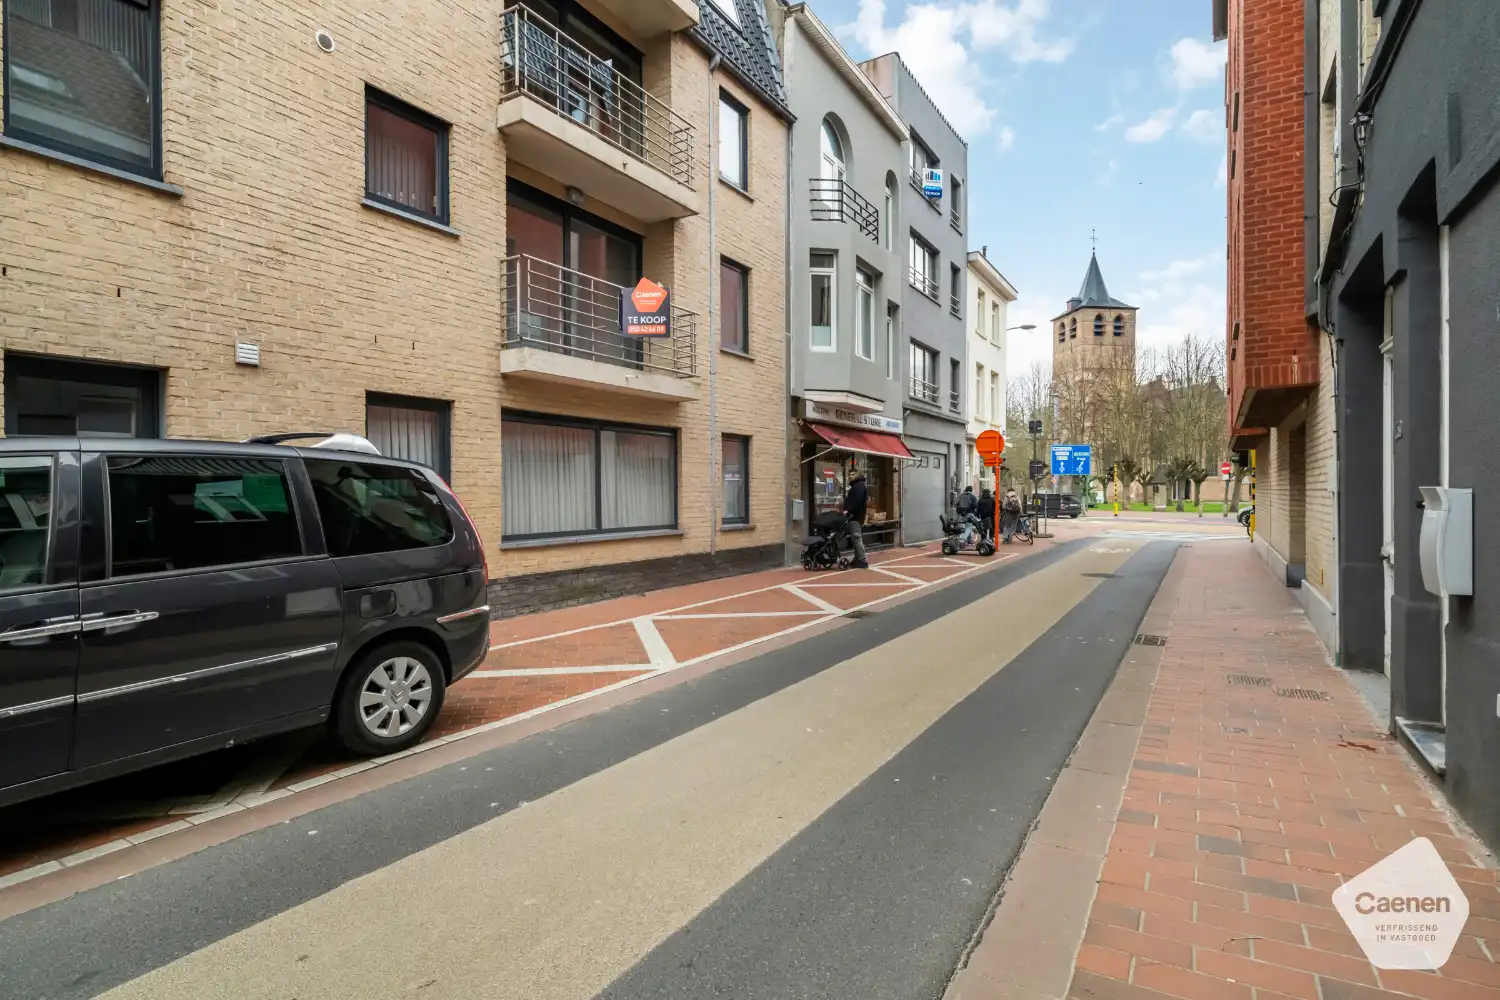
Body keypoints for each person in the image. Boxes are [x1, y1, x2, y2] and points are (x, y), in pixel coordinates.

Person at [842, 472, 870, 569]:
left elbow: (857, 500)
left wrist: (848, 510)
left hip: (855, 516)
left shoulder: (858, 486)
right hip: (856, 516)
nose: (850, 476)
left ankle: (862, 560)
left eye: (853, 474)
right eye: (849, 475)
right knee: (855, 538)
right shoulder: (858, 485)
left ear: (857, 475)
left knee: (856, 537)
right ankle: (857, 559)